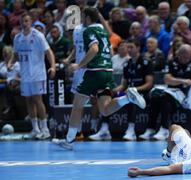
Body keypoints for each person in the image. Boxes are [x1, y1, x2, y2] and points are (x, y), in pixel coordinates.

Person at [53, 7, 146, 150]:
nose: (82, 19)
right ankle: (127, 98)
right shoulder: (102, 31)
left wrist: (79, 65)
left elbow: (94, 49)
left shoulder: (88, 31)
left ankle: (69, 141)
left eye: (83, 16)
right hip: (107, 71)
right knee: (105, 110)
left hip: (93, 72)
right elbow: (108, 51)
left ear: (88, 18)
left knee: (77, 105)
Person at [91, 39, 153, 141]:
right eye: (128, 47)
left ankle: (131, 130)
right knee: (106, 97)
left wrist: (134, 89)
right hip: (127, 91)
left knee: (131, 97)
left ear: (138, 48)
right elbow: (123, 85)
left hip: (142, 92)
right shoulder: (127, 64)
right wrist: (111, 92)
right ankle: (104, 130)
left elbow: (149, 84)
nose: (129, 49)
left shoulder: (146, 62)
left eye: (131, 47)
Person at [9, 12, 56, 140]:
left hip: (37, 73)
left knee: (37, 100)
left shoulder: (38, 36)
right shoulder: (17, 38)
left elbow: (48, 52)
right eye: (22, 21)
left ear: (31, 22)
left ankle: (45, 129)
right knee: (28, 101)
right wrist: (10, 62)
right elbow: (15, 54)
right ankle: (35, 129)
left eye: (26, 21)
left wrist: (53, 66)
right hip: (25, 75)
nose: (24, 24)